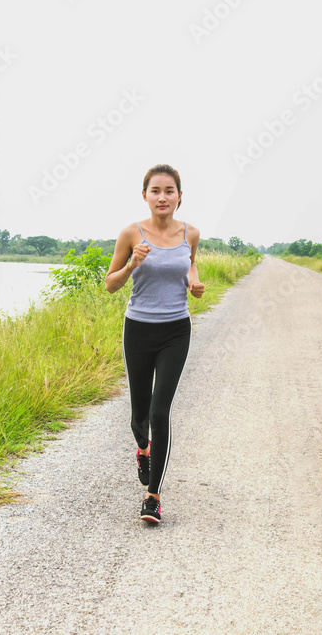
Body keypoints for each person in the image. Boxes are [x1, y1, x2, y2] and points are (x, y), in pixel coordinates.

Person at [104, 164, 204, 524]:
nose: (162, 197)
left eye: (169, 191)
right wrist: (132, 263)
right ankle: (143, 450)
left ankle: (153, 497)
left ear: (179, 196)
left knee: (160, 413)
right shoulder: (131, 233)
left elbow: (190, 264)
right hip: (139, 330)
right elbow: (110, 284)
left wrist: (194, 283)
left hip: (176, 329)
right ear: (145, 195)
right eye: (155, 191)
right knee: (139, 417)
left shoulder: (190, 233)